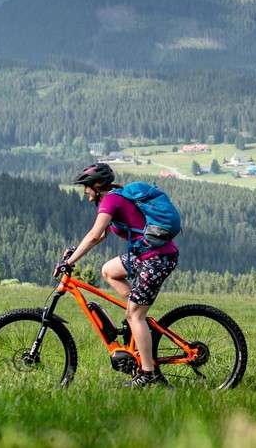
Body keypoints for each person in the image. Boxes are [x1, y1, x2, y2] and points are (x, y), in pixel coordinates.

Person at [56, 163, 179, 388]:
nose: (86, 193)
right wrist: (74, 251)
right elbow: (101, 234)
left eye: (86, 188)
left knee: (135, 316)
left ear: (98, 185)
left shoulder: (112, 199)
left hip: (157, 258)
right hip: (144, 257)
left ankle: (148, 375)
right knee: (109, 271)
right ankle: (136, 316)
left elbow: (94, 235)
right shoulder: (111, 199)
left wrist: (68, 262)